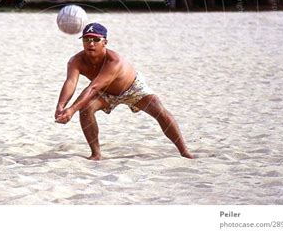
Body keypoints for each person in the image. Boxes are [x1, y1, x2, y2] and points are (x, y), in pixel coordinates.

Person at [55, 23, 193, 161]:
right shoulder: (76, 61)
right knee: (85, 108)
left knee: (157, 107)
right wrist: (61, 106)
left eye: (96, 39)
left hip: (132, 88)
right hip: (106, 92)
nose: (91, 43)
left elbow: (93, 87)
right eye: (86, 39)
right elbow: (71, 82)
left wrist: (71, 109)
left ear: (105, 42)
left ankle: (184, 151)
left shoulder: (114, 60)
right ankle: (96, 154)